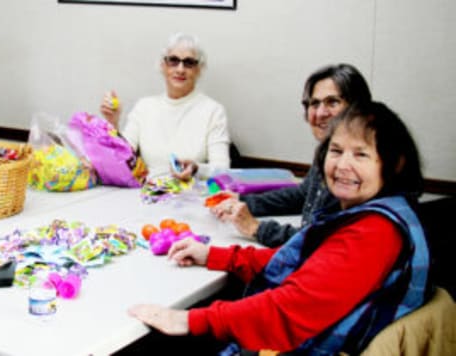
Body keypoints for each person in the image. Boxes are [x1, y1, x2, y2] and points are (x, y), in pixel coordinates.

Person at [129, 101, 430, 355]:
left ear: (393, 164)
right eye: (336, 151)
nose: (342, 165)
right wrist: (214, 255)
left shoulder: (375, 232)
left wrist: (187, 320)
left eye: (360, 154)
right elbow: (299, 261)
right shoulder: (374, 212)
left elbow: (288, 311)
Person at [211, 64, 372, 247]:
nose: (320, 113)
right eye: (314, 103)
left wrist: (256, 228)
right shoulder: (325, 152)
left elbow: (321, 243)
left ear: (358, 108)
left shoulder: (357, 168)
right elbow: (301, 195)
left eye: (332, 102)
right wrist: (242, 201)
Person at [99, 32, 230, 178]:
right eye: (173, 61)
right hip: (145, 192)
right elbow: (121, 160)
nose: (180, 69)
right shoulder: (144, 107)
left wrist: (196, 169)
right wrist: (112, 122)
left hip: (190, 195)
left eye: (188, 63)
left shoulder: (213, 111)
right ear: (163, 66)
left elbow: (222, 170)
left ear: (198, 70)